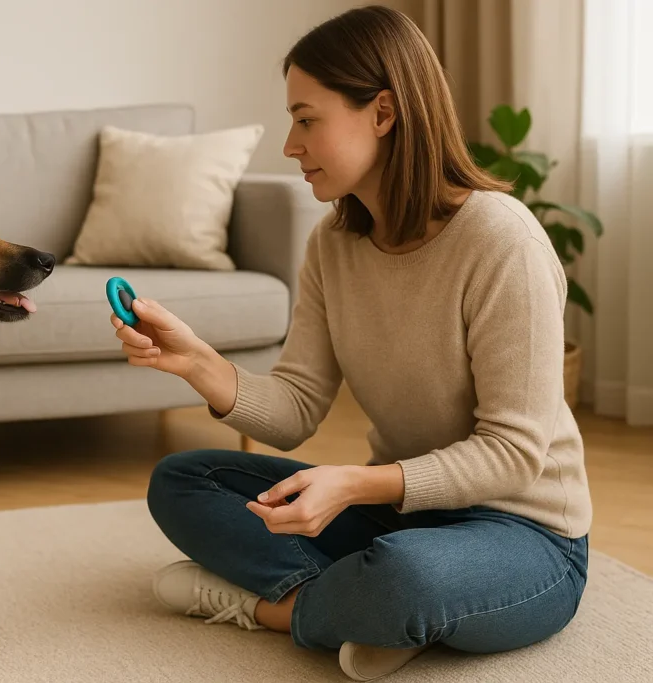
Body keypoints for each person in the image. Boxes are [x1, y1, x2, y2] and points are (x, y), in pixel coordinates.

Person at [109, 5, 592, 681]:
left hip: (527, 533)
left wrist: (356, 483)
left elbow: (514, 453)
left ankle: (276, 606)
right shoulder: (332, 245)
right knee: (184, 480)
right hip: (396, 512)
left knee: (406, 576)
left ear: (384, 114)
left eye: (307, 119)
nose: (290, 144)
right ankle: (363, 608)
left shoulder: (500, 241)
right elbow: (298, 408)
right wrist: (197, 361)